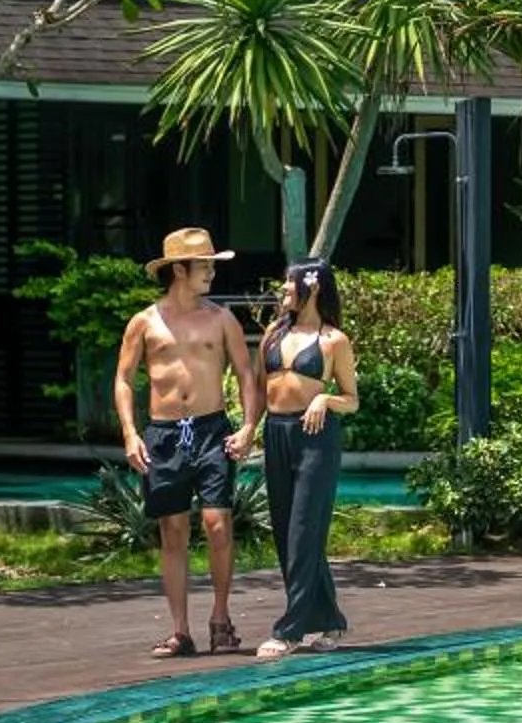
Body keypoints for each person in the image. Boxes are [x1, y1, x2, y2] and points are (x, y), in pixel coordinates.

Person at [115, 227, 260, 659]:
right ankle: (180, 631)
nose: (212, 273)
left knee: (218, 524)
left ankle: (220, 618)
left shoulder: (221, 318)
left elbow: (247, 374)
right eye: (205, 266)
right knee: (173, 532)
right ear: (179, 269)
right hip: (163, 436)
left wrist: (249, 426)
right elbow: (123, 380)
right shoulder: (144, 322)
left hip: (212, 429)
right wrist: (129, 433)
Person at [254, 257, 359, 660]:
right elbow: (261, 389)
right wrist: (249, 430)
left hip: (315, 438)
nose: (282, 291)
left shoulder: (334, 341)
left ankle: (290, 629)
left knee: (303, 532)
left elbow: (352, 400)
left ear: (312, 287)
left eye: (288, 284)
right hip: (276, 433)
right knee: (288, 534)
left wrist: (324, 397)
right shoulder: (272, 334)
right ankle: (330, 620)